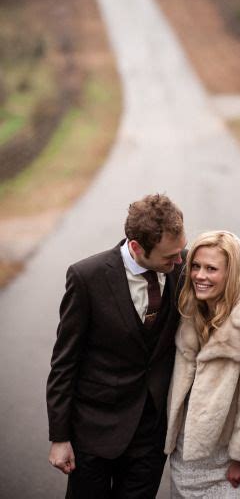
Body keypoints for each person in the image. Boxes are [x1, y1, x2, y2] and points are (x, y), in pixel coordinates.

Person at [46, 193, 187, 499]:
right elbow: (64, 362)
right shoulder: (87, 277)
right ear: (136, 247)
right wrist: (59, 437)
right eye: (169, 257)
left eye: (180, 252)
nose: (179, 261)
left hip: (151, 434)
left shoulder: (182, 264)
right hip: (95, 431)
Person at [164, 230, 240, 498]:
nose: (199, 275)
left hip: (226, 460)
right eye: (196, 266)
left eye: (211, 269)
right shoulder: (191, 310)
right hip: (185, 453)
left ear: (231, 274)